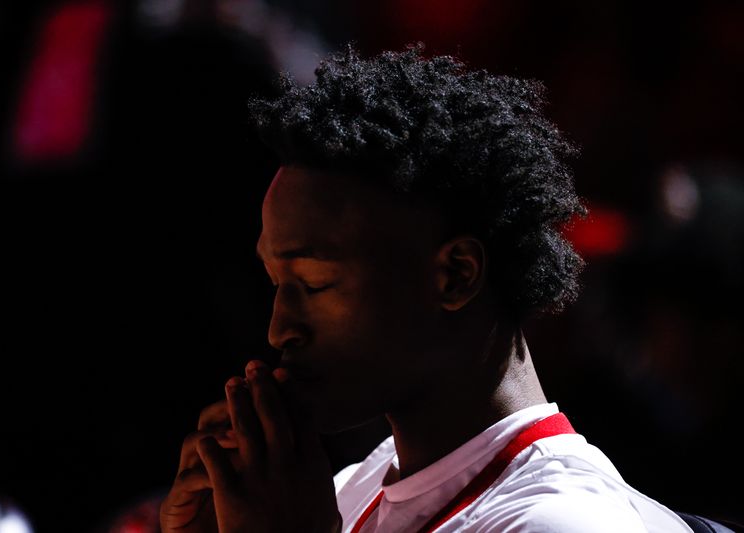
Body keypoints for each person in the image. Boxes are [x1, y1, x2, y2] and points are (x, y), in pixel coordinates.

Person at [159, 44, 693, 532]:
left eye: (315, 283)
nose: (280, 328)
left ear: (456, 274)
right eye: (277, 284)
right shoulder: (345, 490)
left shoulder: (566, 521)